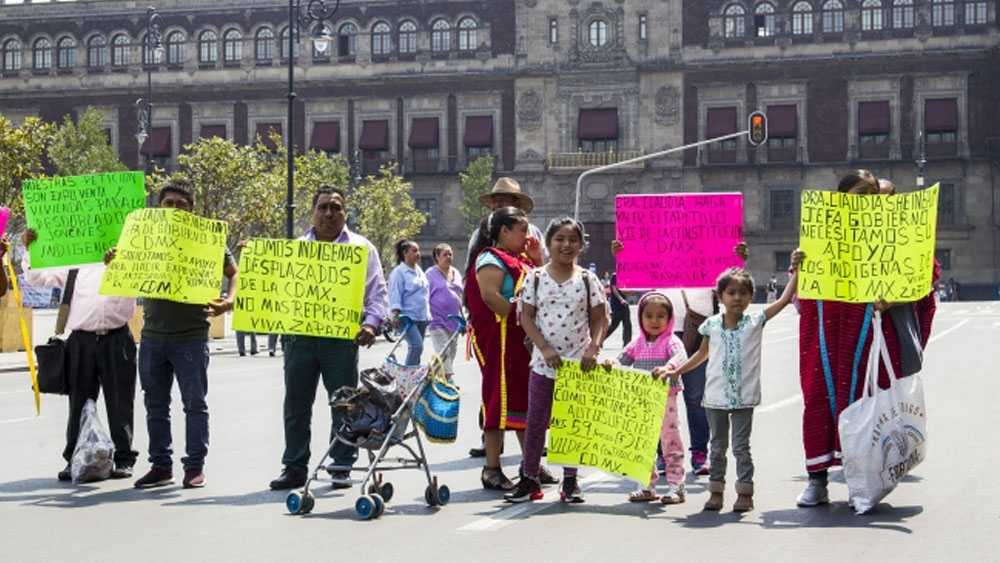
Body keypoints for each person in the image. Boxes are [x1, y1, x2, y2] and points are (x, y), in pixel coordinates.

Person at [794, 169, 938, 507]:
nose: (868, 201)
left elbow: (923, 276)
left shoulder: (895, 231)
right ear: (842, 197)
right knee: (819, 399)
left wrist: (893, 299)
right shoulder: (822, 231)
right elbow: (800, 293)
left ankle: (868, 480)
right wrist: (797, 263)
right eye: (860, 194)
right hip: (826, 332)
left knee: (869, 402)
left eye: (873, 195)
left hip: (873, 333)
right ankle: (817, 481)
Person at [108, 178, 238, 489]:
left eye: (182, 204)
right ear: (159, 207)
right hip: (152, 337)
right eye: (169, 204)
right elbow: (120, 270)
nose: (176, 209)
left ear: (192, 210)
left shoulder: (206, 242)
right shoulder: (145, 238)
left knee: (194, 404)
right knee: (155, 404)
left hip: (191, 337)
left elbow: (233, 273)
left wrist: (229, 301)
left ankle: (194, 466)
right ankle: (160, 465)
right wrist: (113, 260)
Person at [269, 186, 388, 490]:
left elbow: (377, 293)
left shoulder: (362, 248)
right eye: (323, 207)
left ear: (345, 213)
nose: (329, 214)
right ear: (313, 212)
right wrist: (255, 260)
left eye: (336, 207)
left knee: (345, 406)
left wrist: (372, 325)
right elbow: (274, 289)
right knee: (296, 406)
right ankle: (294, 467)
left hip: (340, 341)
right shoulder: (294, 249)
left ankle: (341, 464)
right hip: (299, 340)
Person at [661, 263, 800, 512]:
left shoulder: (756, 321)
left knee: (741, 447)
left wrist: (797, 272)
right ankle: (716, 492)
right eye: (731, 293)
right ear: (720, 297)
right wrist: (677, 370)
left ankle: (745, 493)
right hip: (714, 397)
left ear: (751, 296)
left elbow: (784, 300)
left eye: (743, 293)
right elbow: (701, 355)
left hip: (744, 397)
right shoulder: (711, 325)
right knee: (717, 447)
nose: (737, 298)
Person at [611, 240, 750, 476]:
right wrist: (622, 260)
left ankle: (699, 453)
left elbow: (730, 282)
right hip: (661, 331)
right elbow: (627, 288)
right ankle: (662, 454)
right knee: (654, 399)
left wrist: (738, 260)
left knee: (696, 398)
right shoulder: (653, 252)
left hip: (698, 330)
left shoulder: (707, 253)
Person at [21, 229, 138, 481]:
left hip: (117, 338)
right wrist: (31, 250)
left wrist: (119, 264)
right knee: (79, 403)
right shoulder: (75, 261)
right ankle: (74, 458)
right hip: (82, 339)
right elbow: (39, 277)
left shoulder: (130, 255)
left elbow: (145, 279)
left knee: (120, 401)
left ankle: (124, 458)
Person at [505, 218, 607, 503]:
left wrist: (594, 349)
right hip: (543, 365)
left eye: (573, 240)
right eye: (559, 239)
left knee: (571, 423)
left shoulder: (588, 280)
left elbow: (600, 318)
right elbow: (525, 317)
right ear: (548, 244)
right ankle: (529, 479)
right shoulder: (535, 278)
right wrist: (544, 348)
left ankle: (571, 481)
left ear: (580, 246)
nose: (566, 245)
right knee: (535, 421)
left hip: (578, 366)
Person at [467, 177, 547, 458]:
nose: (527, 237)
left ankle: (531, 462)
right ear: (504, 231)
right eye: (521, 232)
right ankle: (492, 466)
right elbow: (490, 297)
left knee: (525, 400)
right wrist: (519, 318)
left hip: (521, 341)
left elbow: (545, 285)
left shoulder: (523, 257)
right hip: (500, 339)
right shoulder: (490, 257)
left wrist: (537, 258)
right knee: (498, 395)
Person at [603, 292, 688, 505]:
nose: (654, 321)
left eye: (661, 316)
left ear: (670, 318)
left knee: (670, 441)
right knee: (643, 443)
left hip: (665, 398)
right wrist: (610, 363)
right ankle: (646, 485)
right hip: (641, 400)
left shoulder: (671, 340)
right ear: (640, 318)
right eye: (648, 316)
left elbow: (681, 357)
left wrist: (668, 367)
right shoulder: (637, 342)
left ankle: (676, 485)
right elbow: (622, 359)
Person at [388, 239, 431, 366]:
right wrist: (395, 315)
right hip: (407, 317)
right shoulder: (399, 272)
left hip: (421, 316)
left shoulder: (419, 271)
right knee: (416, 346)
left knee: (418, 350)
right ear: (405, 253)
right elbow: (395, 294)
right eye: (414, 251)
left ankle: (414, 379)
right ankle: (406, 380)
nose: (418, 254)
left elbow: (424, 293)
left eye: (418, 251)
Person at [426, 243, 463, 378]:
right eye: (445, 254)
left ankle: (431, 378)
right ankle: (447, 384)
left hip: (455, 322)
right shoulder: (430, 274)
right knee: (444, 352)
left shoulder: (455, 272)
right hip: (437, 321)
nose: (448, 257)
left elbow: (459, 297)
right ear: (437, 257)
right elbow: (425, 296)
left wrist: (463, 319)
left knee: (451, 353)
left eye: (450, 254)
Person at [605, 271, 632, 346]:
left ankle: (627, 343)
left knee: (627, 324)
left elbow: (626, 291)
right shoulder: (615, 275)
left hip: (625, 304)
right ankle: (600, 339)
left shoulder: (626, 277)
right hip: (616, 304)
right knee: (614, 324)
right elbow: (614, 289)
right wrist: (621, 300)